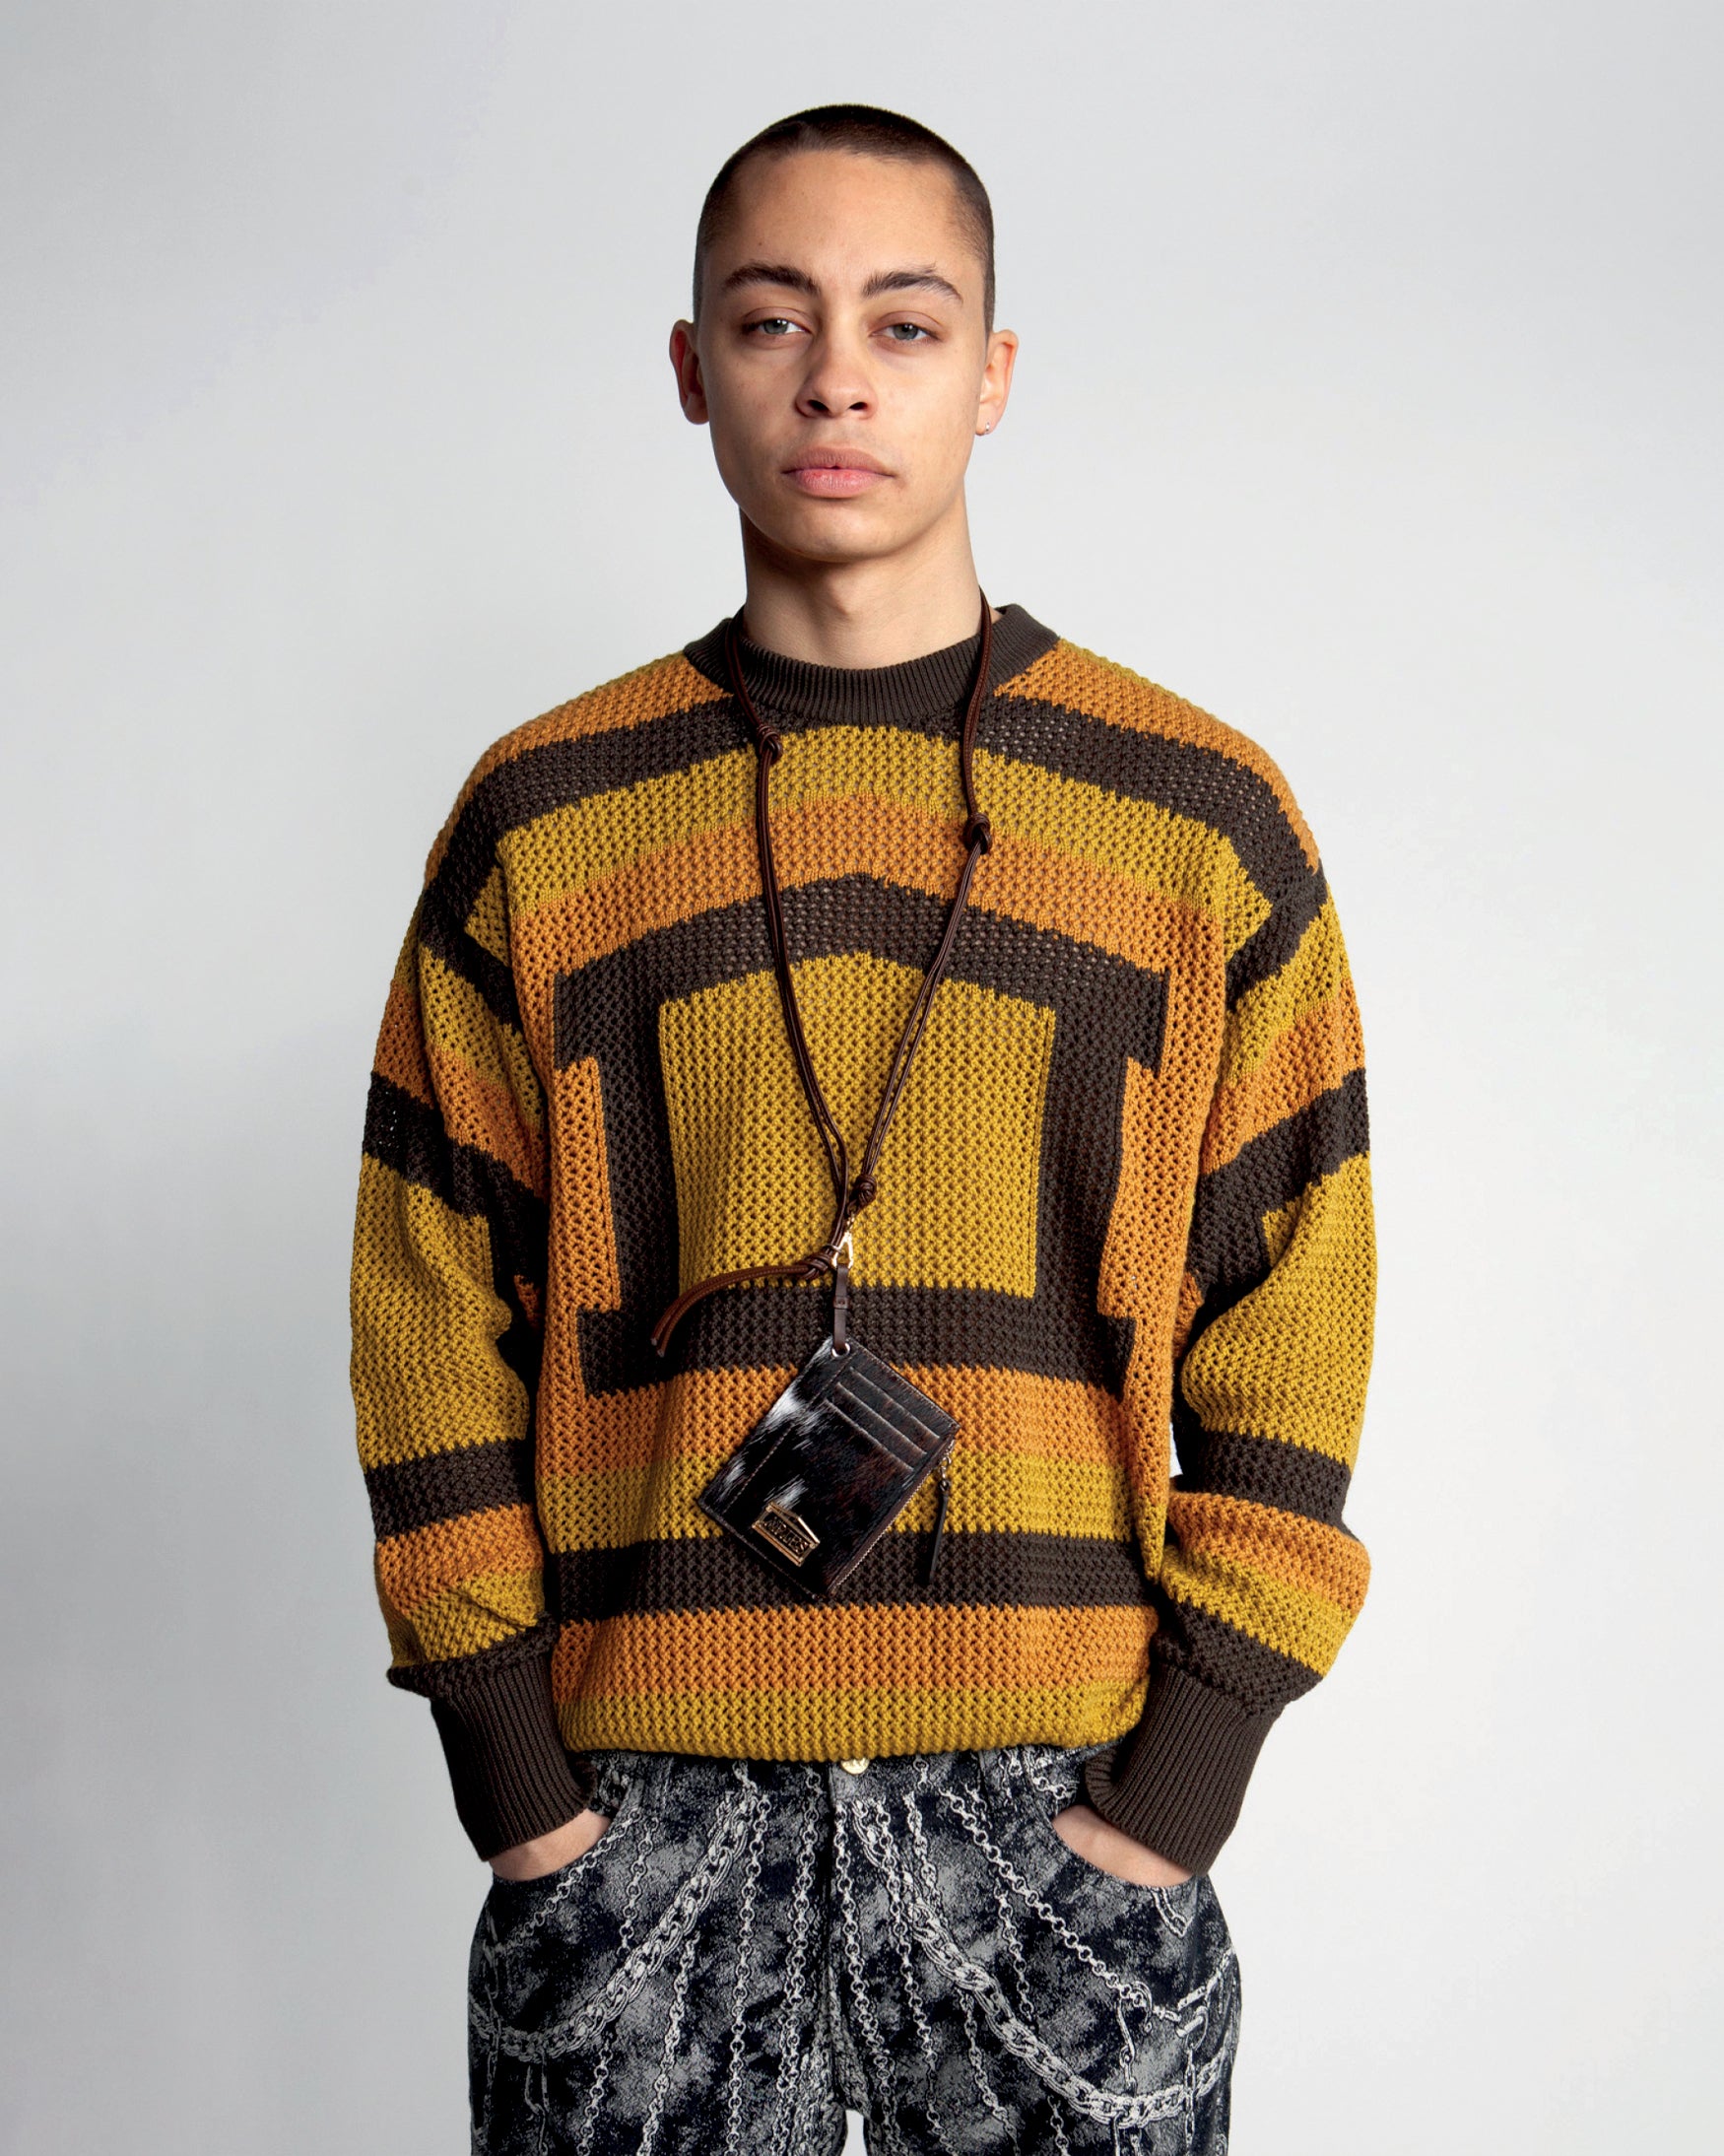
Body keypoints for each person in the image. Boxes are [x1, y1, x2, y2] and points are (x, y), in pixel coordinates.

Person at [349, 101, 1375, 2156]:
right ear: (691, 369)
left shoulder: (1194, 823)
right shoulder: (545, 818)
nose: (835, 378)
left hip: (1056, 1815)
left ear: (990, 374)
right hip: (637, 1820)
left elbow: (1295, 1322)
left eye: (904, 324)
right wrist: (524, 1792)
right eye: (771, 319)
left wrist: (1169, 1798)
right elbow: (424, 1305)